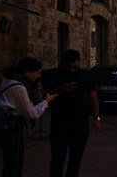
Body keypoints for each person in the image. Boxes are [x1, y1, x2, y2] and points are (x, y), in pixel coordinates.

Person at [41, 49, 101, 177]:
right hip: (60, 122)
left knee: (76, 159)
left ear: (79, 63)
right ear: (63, 63)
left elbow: (93, 97)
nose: (72, 70)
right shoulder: (53, 75)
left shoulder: (87, 76)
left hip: (80, 123)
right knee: (58, 158)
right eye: (69, 67)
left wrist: (96, 118)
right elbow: (44, 94)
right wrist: (60, 89)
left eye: (76, 67)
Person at [0, 58, 58, 177]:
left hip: (4, 123)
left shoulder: (9, 80)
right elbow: (30, 113)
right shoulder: (19, 87)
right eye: (37, 73)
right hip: (12, 125)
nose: (38, 76)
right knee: (15, 160)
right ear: (27, 73)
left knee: (9, 160)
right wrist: (46, 101)